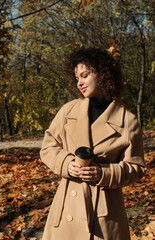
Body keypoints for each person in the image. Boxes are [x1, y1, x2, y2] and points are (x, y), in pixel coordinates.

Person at [40, 48, 146, 240]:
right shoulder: (68, 111)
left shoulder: (127, 121)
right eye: (76, 78)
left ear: (103, 73)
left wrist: (103, 173)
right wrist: (66, 164)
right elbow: (48, 147)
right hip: (66, 209)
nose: (79, 82)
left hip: (104, 216)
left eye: (84, 75)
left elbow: (136, 168)